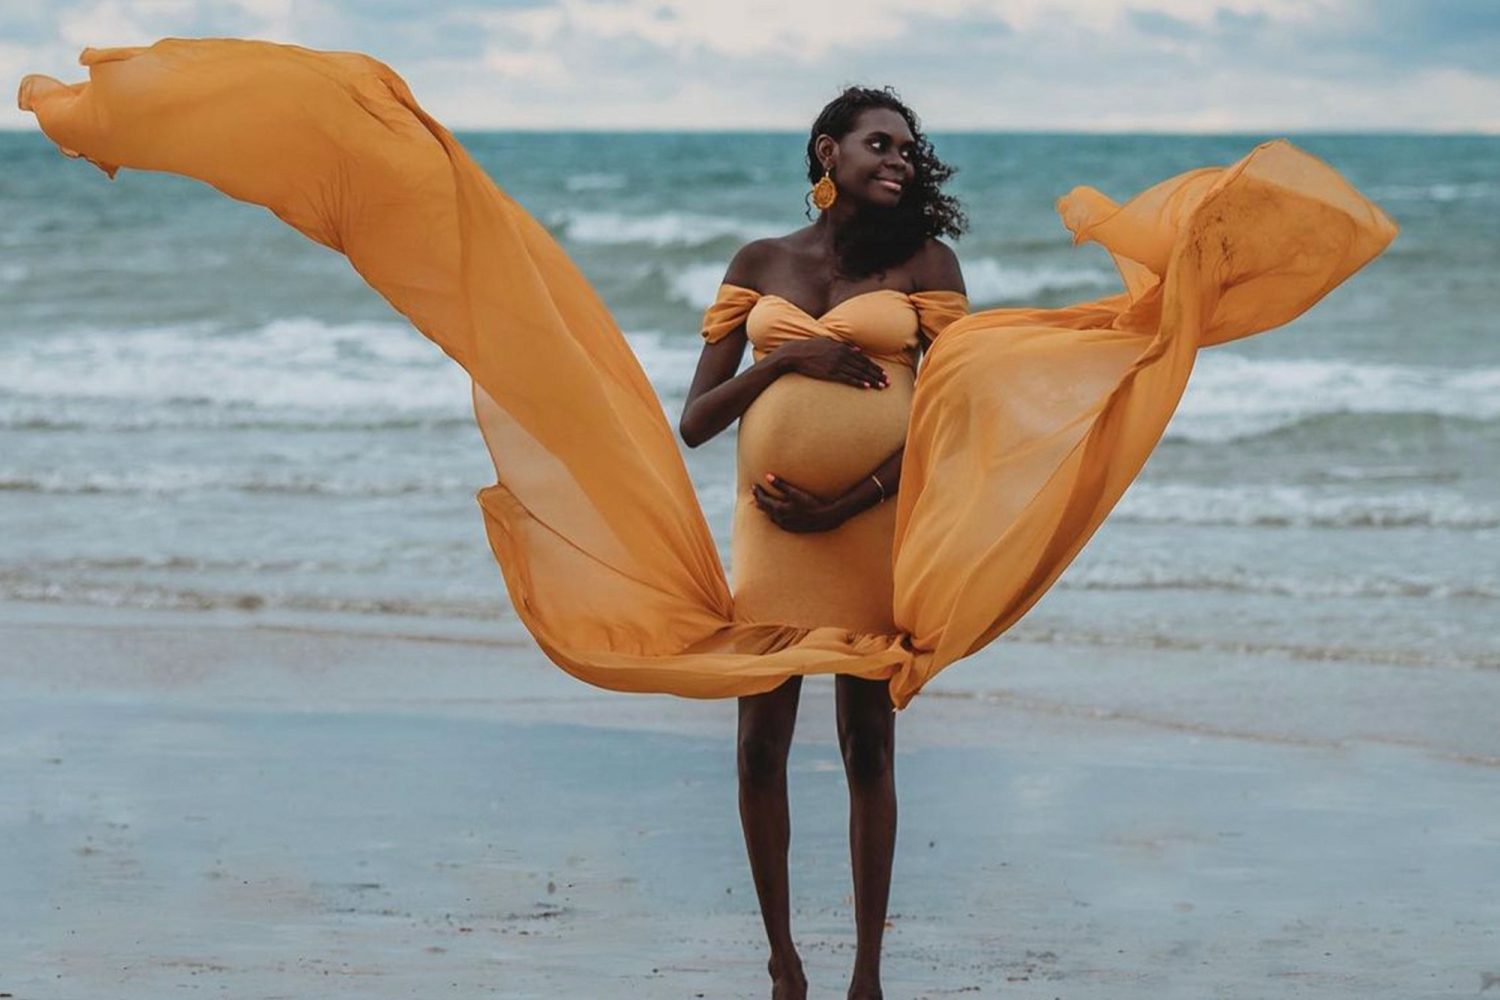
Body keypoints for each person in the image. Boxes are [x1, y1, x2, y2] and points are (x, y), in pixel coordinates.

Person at [679, 86, 967, 1000]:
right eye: (880, 144)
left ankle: (867, 975)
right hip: (771, 535)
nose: (899, 161)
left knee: (866, 745)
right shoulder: (760, 262)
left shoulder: (929, 262)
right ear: (826, 152)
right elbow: (694, 421)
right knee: (760, 744)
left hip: (876, 523)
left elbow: (950, 420)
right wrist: (784, 360)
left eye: (909, 152)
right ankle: (784, 961)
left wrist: (852, 498)